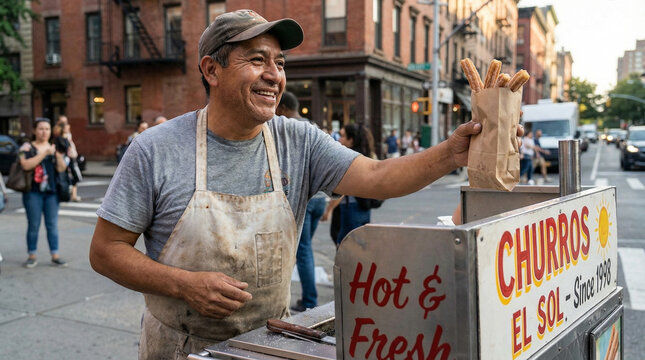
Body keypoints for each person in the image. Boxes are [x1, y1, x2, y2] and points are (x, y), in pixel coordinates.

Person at [89, 9, 520, 359]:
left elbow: (375, 176)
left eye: (279, 63)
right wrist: (182, 285)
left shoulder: (299, 139)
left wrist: (450, 152)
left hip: (270, 344)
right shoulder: (156, 149)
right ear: (211, 69)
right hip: (178, 348)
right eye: (256, 60)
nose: (274, 75)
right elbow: (106, 252)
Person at [275, 91, 326, 312]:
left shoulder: (287, 128)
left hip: (303, 198)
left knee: (302, 250)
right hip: (321, 198)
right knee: (305, 249)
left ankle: (309, 301)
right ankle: (308, 298)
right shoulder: (313, 126)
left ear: (284, 108)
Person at [19, 118, 68, 268]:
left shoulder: (53, 148)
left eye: (47, 129)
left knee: (52, 224)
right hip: (33, 192)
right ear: (34, 130)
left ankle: (55, 255)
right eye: (41, 129)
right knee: (33, 224)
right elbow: (26, 165)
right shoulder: (26, 148)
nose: (44, 132)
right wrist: (44, 153)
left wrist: (57, 155)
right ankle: (32, 255)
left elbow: (61, 169)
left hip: (51, 192)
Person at [321, 123, 378, 245]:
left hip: (351, 208)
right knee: (360, 246)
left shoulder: (350, 160)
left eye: (342, 136)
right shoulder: (368, 156)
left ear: (351, 140)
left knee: (346, 245)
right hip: (364, 207)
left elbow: (343, 190)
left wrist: (329, 209)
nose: (339, 139)